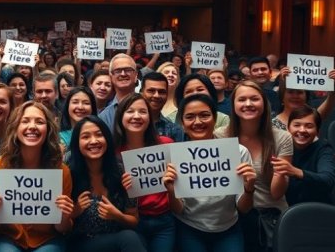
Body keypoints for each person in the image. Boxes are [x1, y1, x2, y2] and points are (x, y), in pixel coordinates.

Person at [163, 94, 256, 252]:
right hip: (189, 227)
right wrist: (171, 191)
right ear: (182, 124)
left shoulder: (238, 152)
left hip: (229, 228)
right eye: (190, 117)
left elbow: (244, 208)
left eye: (205, 115)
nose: (198, 122)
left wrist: (249, 189)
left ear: (215, 119)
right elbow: (178, 209)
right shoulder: (174, 157)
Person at [0, 101, 73, 252]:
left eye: (39, 122)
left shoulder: (61, 171)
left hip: (47, 240)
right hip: (6, 238)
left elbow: (63, 228)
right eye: (25, 121)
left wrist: (64, 215)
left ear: (48, 129)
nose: (32, 126)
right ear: (15, 128)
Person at [215, 81, 293, 252]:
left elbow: (277, 193)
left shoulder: (283, 138)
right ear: (233, 104)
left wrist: (279, 171)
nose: (248, 104)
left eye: (254, 99)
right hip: (235, 218)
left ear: (264, 103)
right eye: (242, 99)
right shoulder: (219, 136)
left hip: (270, 217)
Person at [67, 115, 146, 252]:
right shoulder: (69, 172)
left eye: (99, 135)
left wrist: (117, 216)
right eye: (86, 137)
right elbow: (59, 224)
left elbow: (134, 221)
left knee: (132, 237)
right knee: (129, 238)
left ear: (107, 139)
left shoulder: (122, 171)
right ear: (77, 143)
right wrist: (75, 211)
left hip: (118, 240)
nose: (93, 141)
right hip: (82, 243)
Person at [114, 93, 175, 252]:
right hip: (133, 221)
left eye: (142, 111)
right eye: (130, 111)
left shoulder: (166, 145)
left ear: (150, 117)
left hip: (165, 221)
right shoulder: (113, 153)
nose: (136, 116)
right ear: (120, 116)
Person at [275, 105, 335, 205]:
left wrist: (296, 172)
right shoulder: (280, 146)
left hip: (317, 208)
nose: (302, 130)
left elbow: (327, 180)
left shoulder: (323, 148)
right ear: (288, 128)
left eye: (309, 126)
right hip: (284, 209)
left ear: (318, 131)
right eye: (297, 125)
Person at [139, 72, 185, 142]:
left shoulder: (175, 130)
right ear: (141, 93)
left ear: (167, 95)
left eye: (161, 92)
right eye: (151, 91)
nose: (156, 95)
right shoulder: (129, 124)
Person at [99, 53, 139, 130]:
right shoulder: (104, 117)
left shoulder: (150, 108)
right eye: (118, 71)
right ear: (111, 77)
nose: (123, 74)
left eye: (128, 70)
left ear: (136, 75)